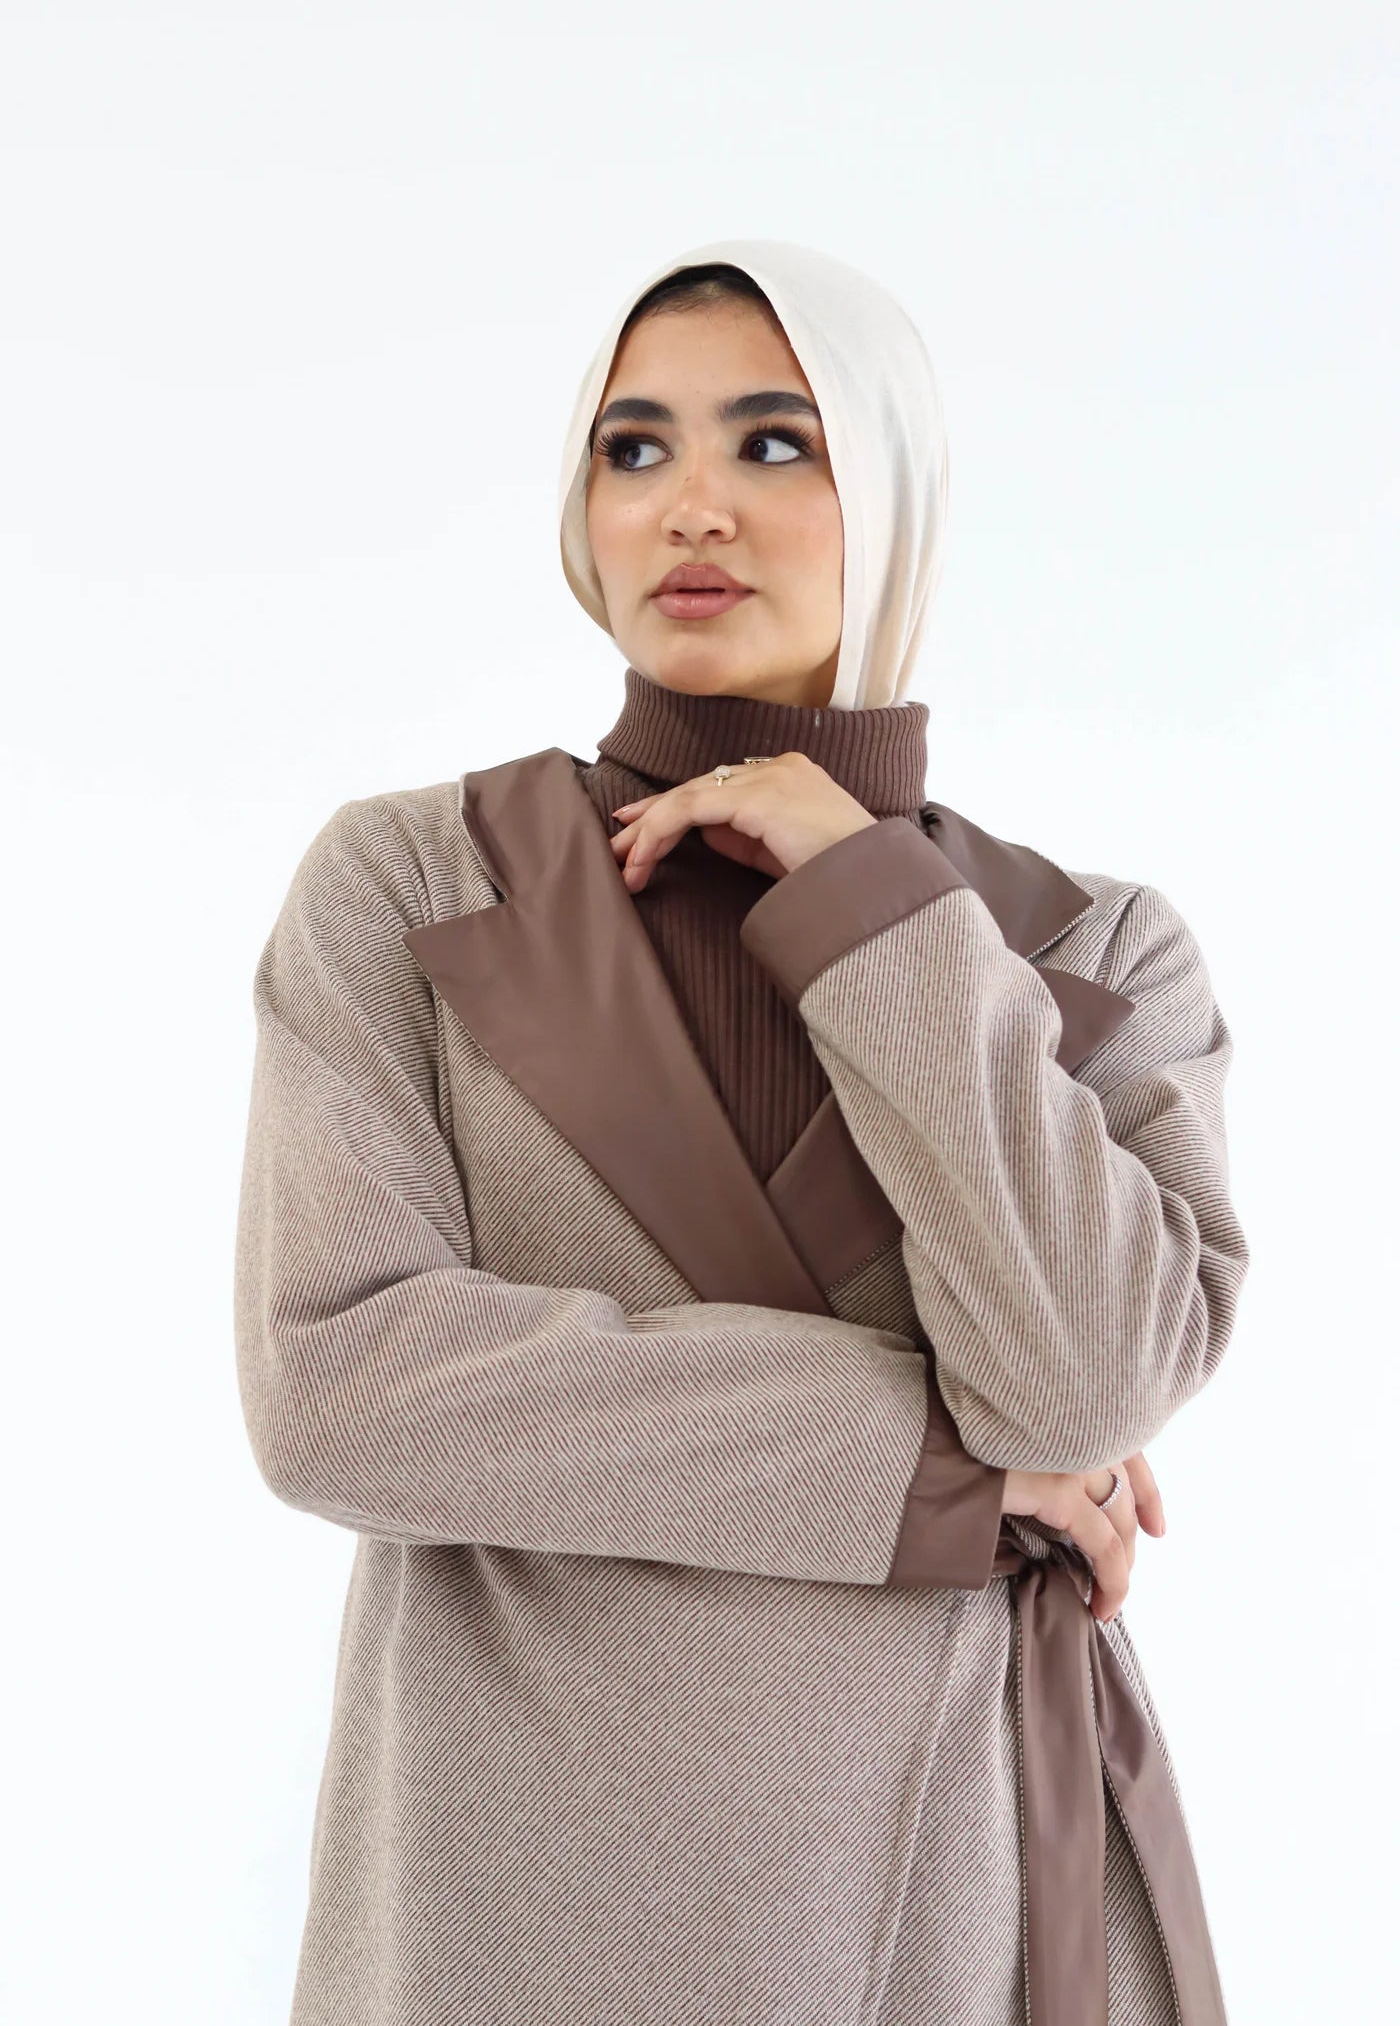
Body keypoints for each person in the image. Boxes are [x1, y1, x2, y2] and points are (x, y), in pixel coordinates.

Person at [234, 238, 1250, 2026]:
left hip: (939, 1905)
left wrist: (873, 904)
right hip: (513, 1904)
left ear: (898, 496)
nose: (691, 502)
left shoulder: (1089, 954)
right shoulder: (413, 881)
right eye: (634, 447)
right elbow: (342, 1387)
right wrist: (943, 1474)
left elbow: (1083, 1389)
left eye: (777, 442)